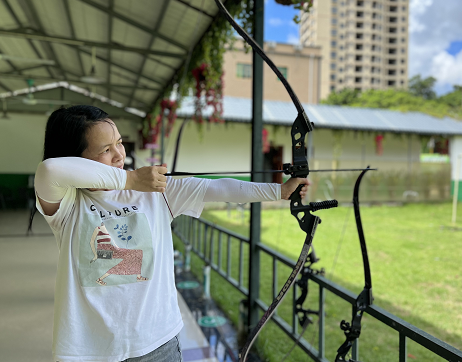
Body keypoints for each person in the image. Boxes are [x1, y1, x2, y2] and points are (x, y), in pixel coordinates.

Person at [34, 105, 309, 362]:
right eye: (105, 150)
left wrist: (280, 191)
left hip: (157, 344)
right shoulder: (68, 204)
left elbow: (217, 188)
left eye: (119, 142)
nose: (119, 155)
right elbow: (49, 170)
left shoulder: (156, 192)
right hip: (88, 350)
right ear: (75, 159)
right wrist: (130, 179)